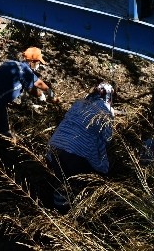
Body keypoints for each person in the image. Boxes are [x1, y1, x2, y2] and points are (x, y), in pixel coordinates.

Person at [46, 82, 114, 213]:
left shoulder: (79, 103)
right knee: (76, 184)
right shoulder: (106, 110)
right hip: (76, 152)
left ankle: (55, 211)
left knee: (61, 181)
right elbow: (107, 138)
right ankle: (70, 214)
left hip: (55, 146)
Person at [0, 47, 50, 155]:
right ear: (32, 61)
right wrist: (41, 96)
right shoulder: (24, 72)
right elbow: (32, 89)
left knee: (2, 116)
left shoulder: (15, 64)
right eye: (38, 62)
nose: (39, 65)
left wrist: (50, 91)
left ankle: (5, 137)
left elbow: (38, 82)